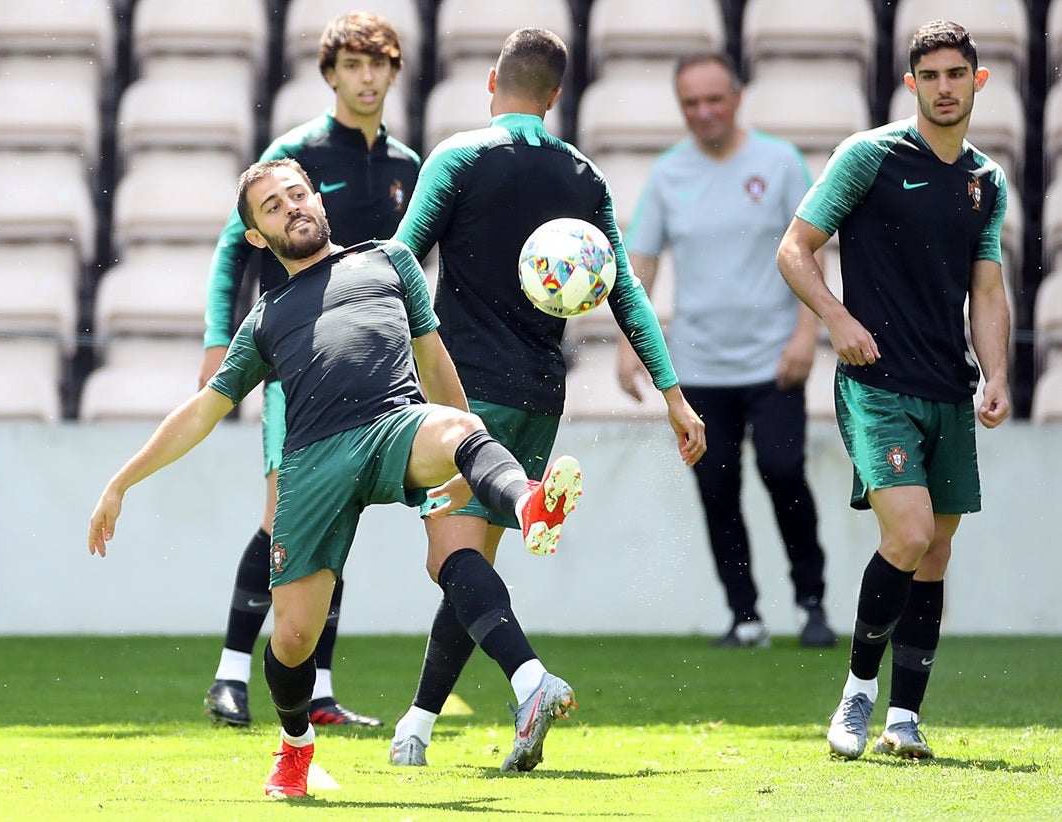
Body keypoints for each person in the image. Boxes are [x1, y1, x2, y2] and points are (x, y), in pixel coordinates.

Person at [89, 158, 585, 798]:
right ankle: (296, 746)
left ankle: (530, 506)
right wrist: (120, 482)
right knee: (294, 639)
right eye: (272, 206)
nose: (291, 207)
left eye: (297, 194)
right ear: (257, 236)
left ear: (319, 199)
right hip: (313, 465)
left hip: (393, 425)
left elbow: (437, 367)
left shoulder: (391, 261)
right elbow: (203, 410)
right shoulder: (265, 318)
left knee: (462, 428)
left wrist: (469, 463)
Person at [387, 27, 706, 770]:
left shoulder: (459, 158)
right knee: (472, 565)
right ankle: (417, 727)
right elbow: (625, 290)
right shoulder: (583, 177)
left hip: (462, 393)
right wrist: (672, 394)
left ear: (491, 82)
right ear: (556, 96)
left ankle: (530, 681)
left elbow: (402, 261)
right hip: (538, 394)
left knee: (447, 558)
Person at [776, 20, 1010, 760]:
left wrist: (997, 374)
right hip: (875, 382)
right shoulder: (868, 156)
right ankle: (855, 694)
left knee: (934, 552)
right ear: (911, 83)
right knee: (907, 535)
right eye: (929, 76)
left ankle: (903, 720)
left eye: (956, 74)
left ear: (978, 81)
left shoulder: (986, 180)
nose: (944, 87)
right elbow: (794, 249)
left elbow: (986, 288)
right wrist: (836, 318)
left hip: (948, 385)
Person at [199, 12, 420, 729]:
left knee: (336, 515)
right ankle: (230, 676)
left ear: (393, 72)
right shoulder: (293, 157)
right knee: (281, 519)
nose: (365, 77)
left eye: (377, 64)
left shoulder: (408, 167)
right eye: (351, 64)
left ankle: (318, 690)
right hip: (295, 366)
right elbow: (232, 249)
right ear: (330, 74)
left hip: (373, 372)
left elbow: (412, 269)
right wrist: (218, 337)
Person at [616, 53, 838, 650]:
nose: (704, 112)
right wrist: (629, 345)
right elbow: (641, 264)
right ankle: (745, 618)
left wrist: (806, 336)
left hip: (774, 361)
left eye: (714, 99)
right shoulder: (668, 173)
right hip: (697, 368)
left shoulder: (780, 162)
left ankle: (812, 604)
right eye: (691, 102)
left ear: (737, 99)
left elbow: (810, 251)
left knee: (784, 473)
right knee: (716, 489)